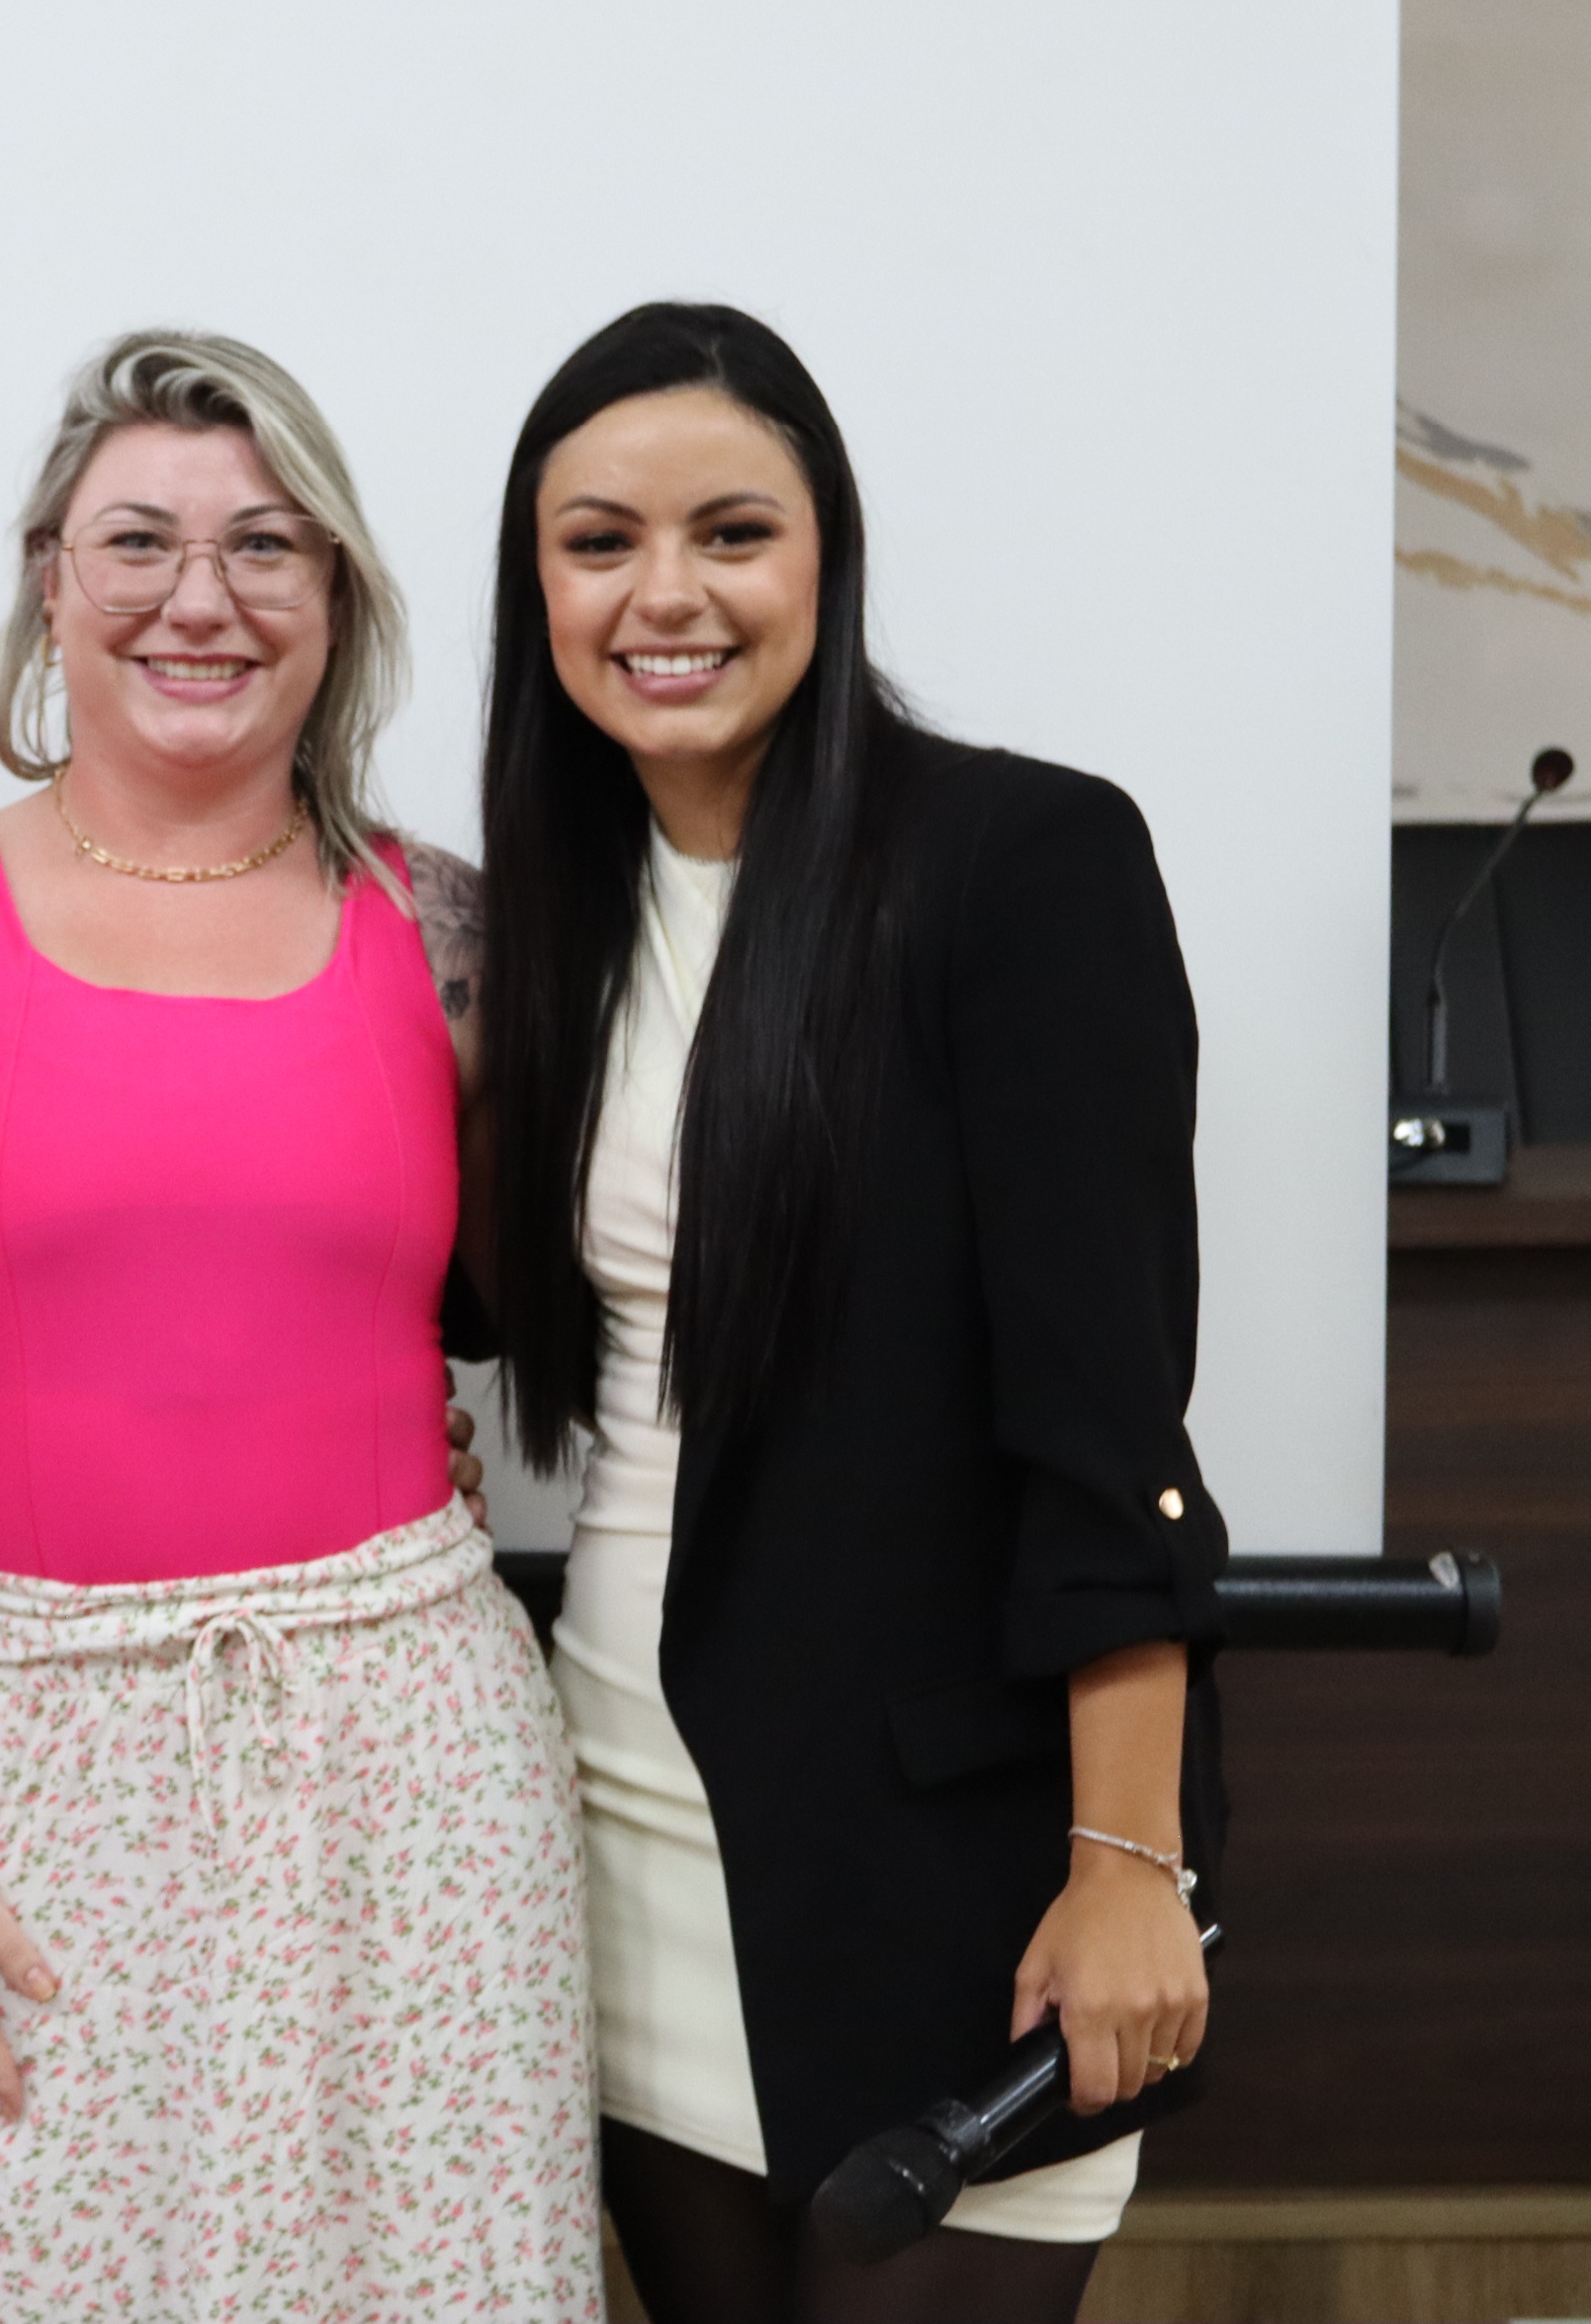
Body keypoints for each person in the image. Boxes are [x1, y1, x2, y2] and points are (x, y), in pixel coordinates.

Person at [0, 331, 602, 2321]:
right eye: (138, 540)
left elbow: (540, 1309)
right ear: (50, 577)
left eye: (265, 546)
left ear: (339, 595)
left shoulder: (453, 932)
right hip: (28, 1769)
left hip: (417, 1771)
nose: (199, 598)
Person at [476, 300, 1224, 2324]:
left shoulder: (1020, 860)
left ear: (828, 556)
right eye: (599, 541)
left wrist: (1127, 1858)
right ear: (536, 587)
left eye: (732, 531)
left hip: (948, 1859)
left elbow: (1103, 1423)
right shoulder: (545, 919)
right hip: (621, 1813)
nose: (665, 594)